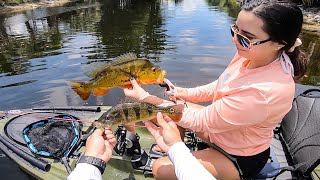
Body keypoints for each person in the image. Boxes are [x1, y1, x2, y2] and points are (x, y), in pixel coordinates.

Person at [123, 0, 308, 179]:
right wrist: (182, 92)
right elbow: (221, 84)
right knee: (176, 104)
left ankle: (183, 152)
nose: (235, 40)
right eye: (235, 30)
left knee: (159, 169)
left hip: (239, 156)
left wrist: (145, 97)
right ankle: (182, 145)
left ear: (279, 43)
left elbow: (199, 119)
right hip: (223, 133)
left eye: (246, 38)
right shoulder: (252, 53)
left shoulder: (263, 93)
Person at [145, 112, 216, 180]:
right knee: (176, 114)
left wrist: (175, 147)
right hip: (223, 139)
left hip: (226, 152)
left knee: (160, 168)